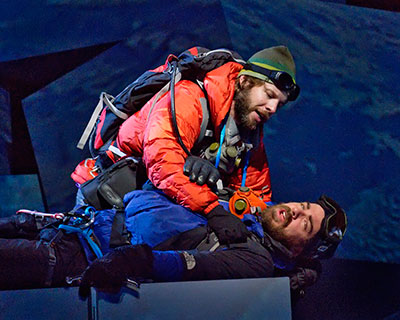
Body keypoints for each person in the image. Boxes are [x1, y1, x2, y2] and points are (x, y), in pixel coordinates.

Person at [72, 45, 301, 246]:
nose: (272, 108)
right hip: (103, 200)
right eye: (269, 94)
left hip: (145, 214)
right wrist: (213, 210)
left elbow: (258, 194)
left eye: (278, 105)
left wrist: (279, 243)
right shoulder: (190, 97)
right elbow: (162, 162)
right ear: (244, 81)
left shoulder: (248, 135)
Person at [0, 190, 347, 301]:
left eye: (307, 222)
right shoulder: (239, 217)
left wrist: (133, 259)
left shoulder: (255, 262)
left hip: (77, 257)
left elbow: (187, 266)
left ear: (303, 250)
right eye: (303, 207)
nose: (297, 211)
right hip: (70, 227)